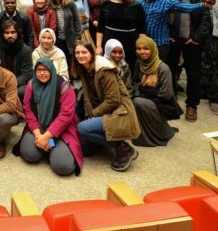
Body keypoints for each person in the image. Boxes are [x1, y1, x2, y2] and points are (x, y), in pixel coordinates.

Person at [72, 41, 140, 171]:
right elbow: (88, 97)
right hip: (102, 110)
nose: (80, 55)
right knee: (86, 150)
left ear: (91, 53)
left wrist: (93, 114)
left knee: (82, 129)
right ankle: (104, 137)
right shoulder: (83, 69)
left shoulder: (104, 70)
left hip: (118, 110)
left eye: (84, 52)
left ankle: (123, 147)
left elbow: (113, 100)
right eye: (77, 53)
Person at [159, 0, 211, 122]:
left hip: (191, 41)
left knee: (194, 75)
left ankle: (192, 105)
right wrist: (165, 35)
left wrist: (196, 38)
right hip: (169, 41)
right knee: (169, 73)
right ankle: (170, 103)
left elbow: (205, 17)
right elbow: (157, 16)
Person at [17, 58, 82, 176]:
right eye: (39, 70)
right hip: (38, 128)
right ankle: (47, 147)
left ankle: (49, 146)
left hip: (61, 131)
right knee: (29, 154)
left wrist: (46, 137)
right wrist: (38, 135)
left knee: (63, 166)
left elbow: (65, 116)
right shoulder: (31, 85)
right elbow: (28, 110)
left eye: (46, 70)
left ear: (52, 70)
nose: (42, 73)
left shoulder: (64, 87)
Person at [137, 0, 210, 59]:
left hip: (160, 44)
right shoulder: (138, 2)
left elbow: (186, 7)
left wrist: (203, 5)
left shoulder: (165, 1)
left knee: (160, 69)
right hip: (142, 44)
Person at [131, 37, 180, 147]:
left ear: (152, 49)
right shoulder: (138, 63)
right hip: (148, 100)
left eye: (146, 49)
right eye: (138, 48)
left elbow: (166, 95)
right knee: (135, 101)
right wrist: (141, 92)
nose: (142, 52)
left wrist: (144, 93)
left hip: (161, 104)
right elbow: (135, 82)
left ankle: (154, 135)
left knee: (138, 102)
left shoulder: (163, 68)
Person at [96, 0, 146, 68]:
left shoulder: (137, 6)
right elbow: (100, 28)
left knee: (129, 67)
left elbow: (142, 30)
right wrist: (98, 46)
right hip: (109, 40)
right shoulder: (106, 4)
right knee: (109, 68)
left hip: (130, 42)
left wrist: (141, 48)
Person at [0, 20, 33, 100]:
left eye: (13, 32)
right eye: (7, 33)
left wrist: (9, 84)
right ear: (2, 34)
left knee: (21, 92)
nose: (10, 35)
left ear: (17, 33)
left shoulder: (26, 50)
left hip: (17, 82)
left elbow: (27, 74)